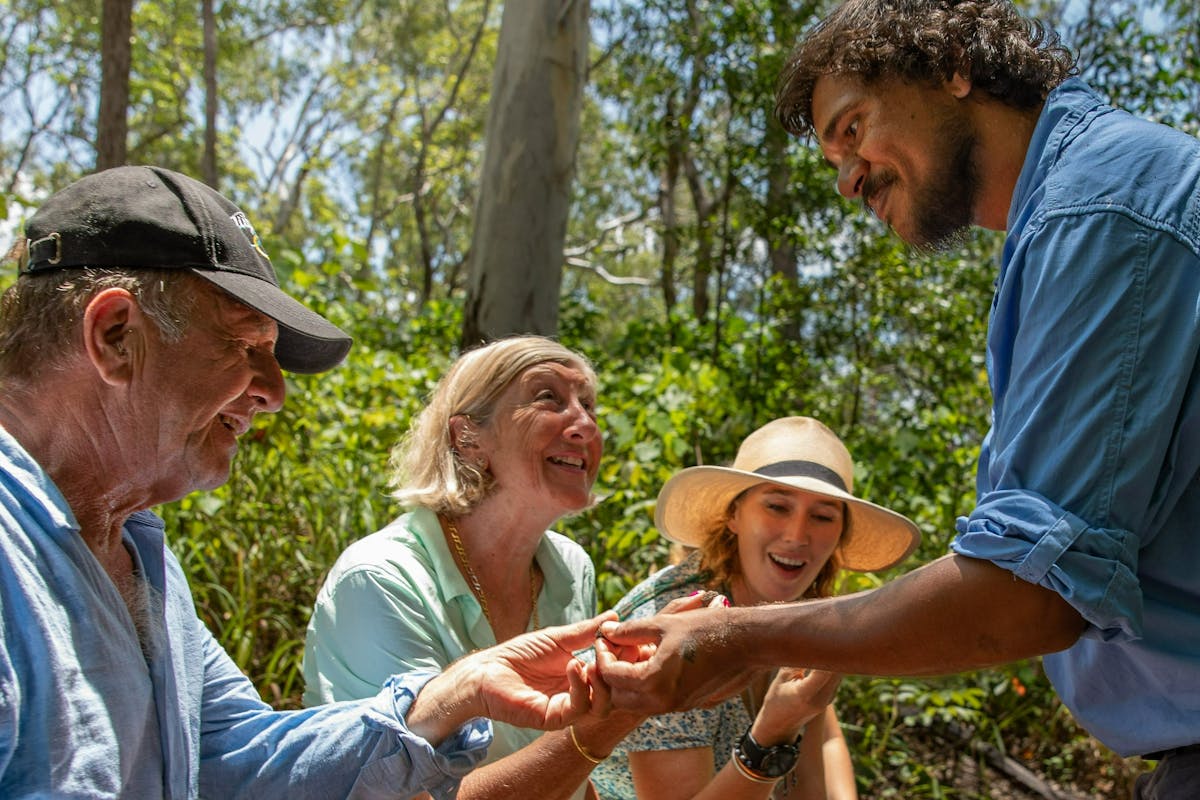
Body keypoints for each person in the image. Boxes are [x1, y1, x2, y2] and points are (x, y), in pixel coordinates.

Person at [595, 1, 1200, 797]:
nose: (848, 180)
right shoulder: (1067, 219)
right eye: (831, 160)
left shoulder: (1101, 207)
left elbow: (1029, 594)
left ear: (952, 66)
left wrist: (731, 641)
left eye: (851, 128)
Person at [0, 165, 613, 800]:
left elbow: (238, 756)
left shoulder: (140, 554)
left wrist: (458, 692)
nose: (274, 392)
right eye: (244, 347)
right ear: (116, 336)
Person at [303, 335, 645, 800]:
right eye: (548, 398)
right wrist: (620, 715)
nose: (585, 424)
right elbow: (409, 795)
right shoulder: (380, 579)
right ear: (467, 437)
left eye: (589, 405)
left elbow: (568, 776)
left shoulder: (571, 568)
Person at [589, 416, 920, 800]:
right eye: (777, 506)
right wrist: (771, 735)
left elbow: (821, 739)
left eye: (823, 516)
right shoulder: (673, 626)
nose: (797, 535)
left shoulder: (802, 612)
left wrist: (792, 723)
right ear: (734, 515)